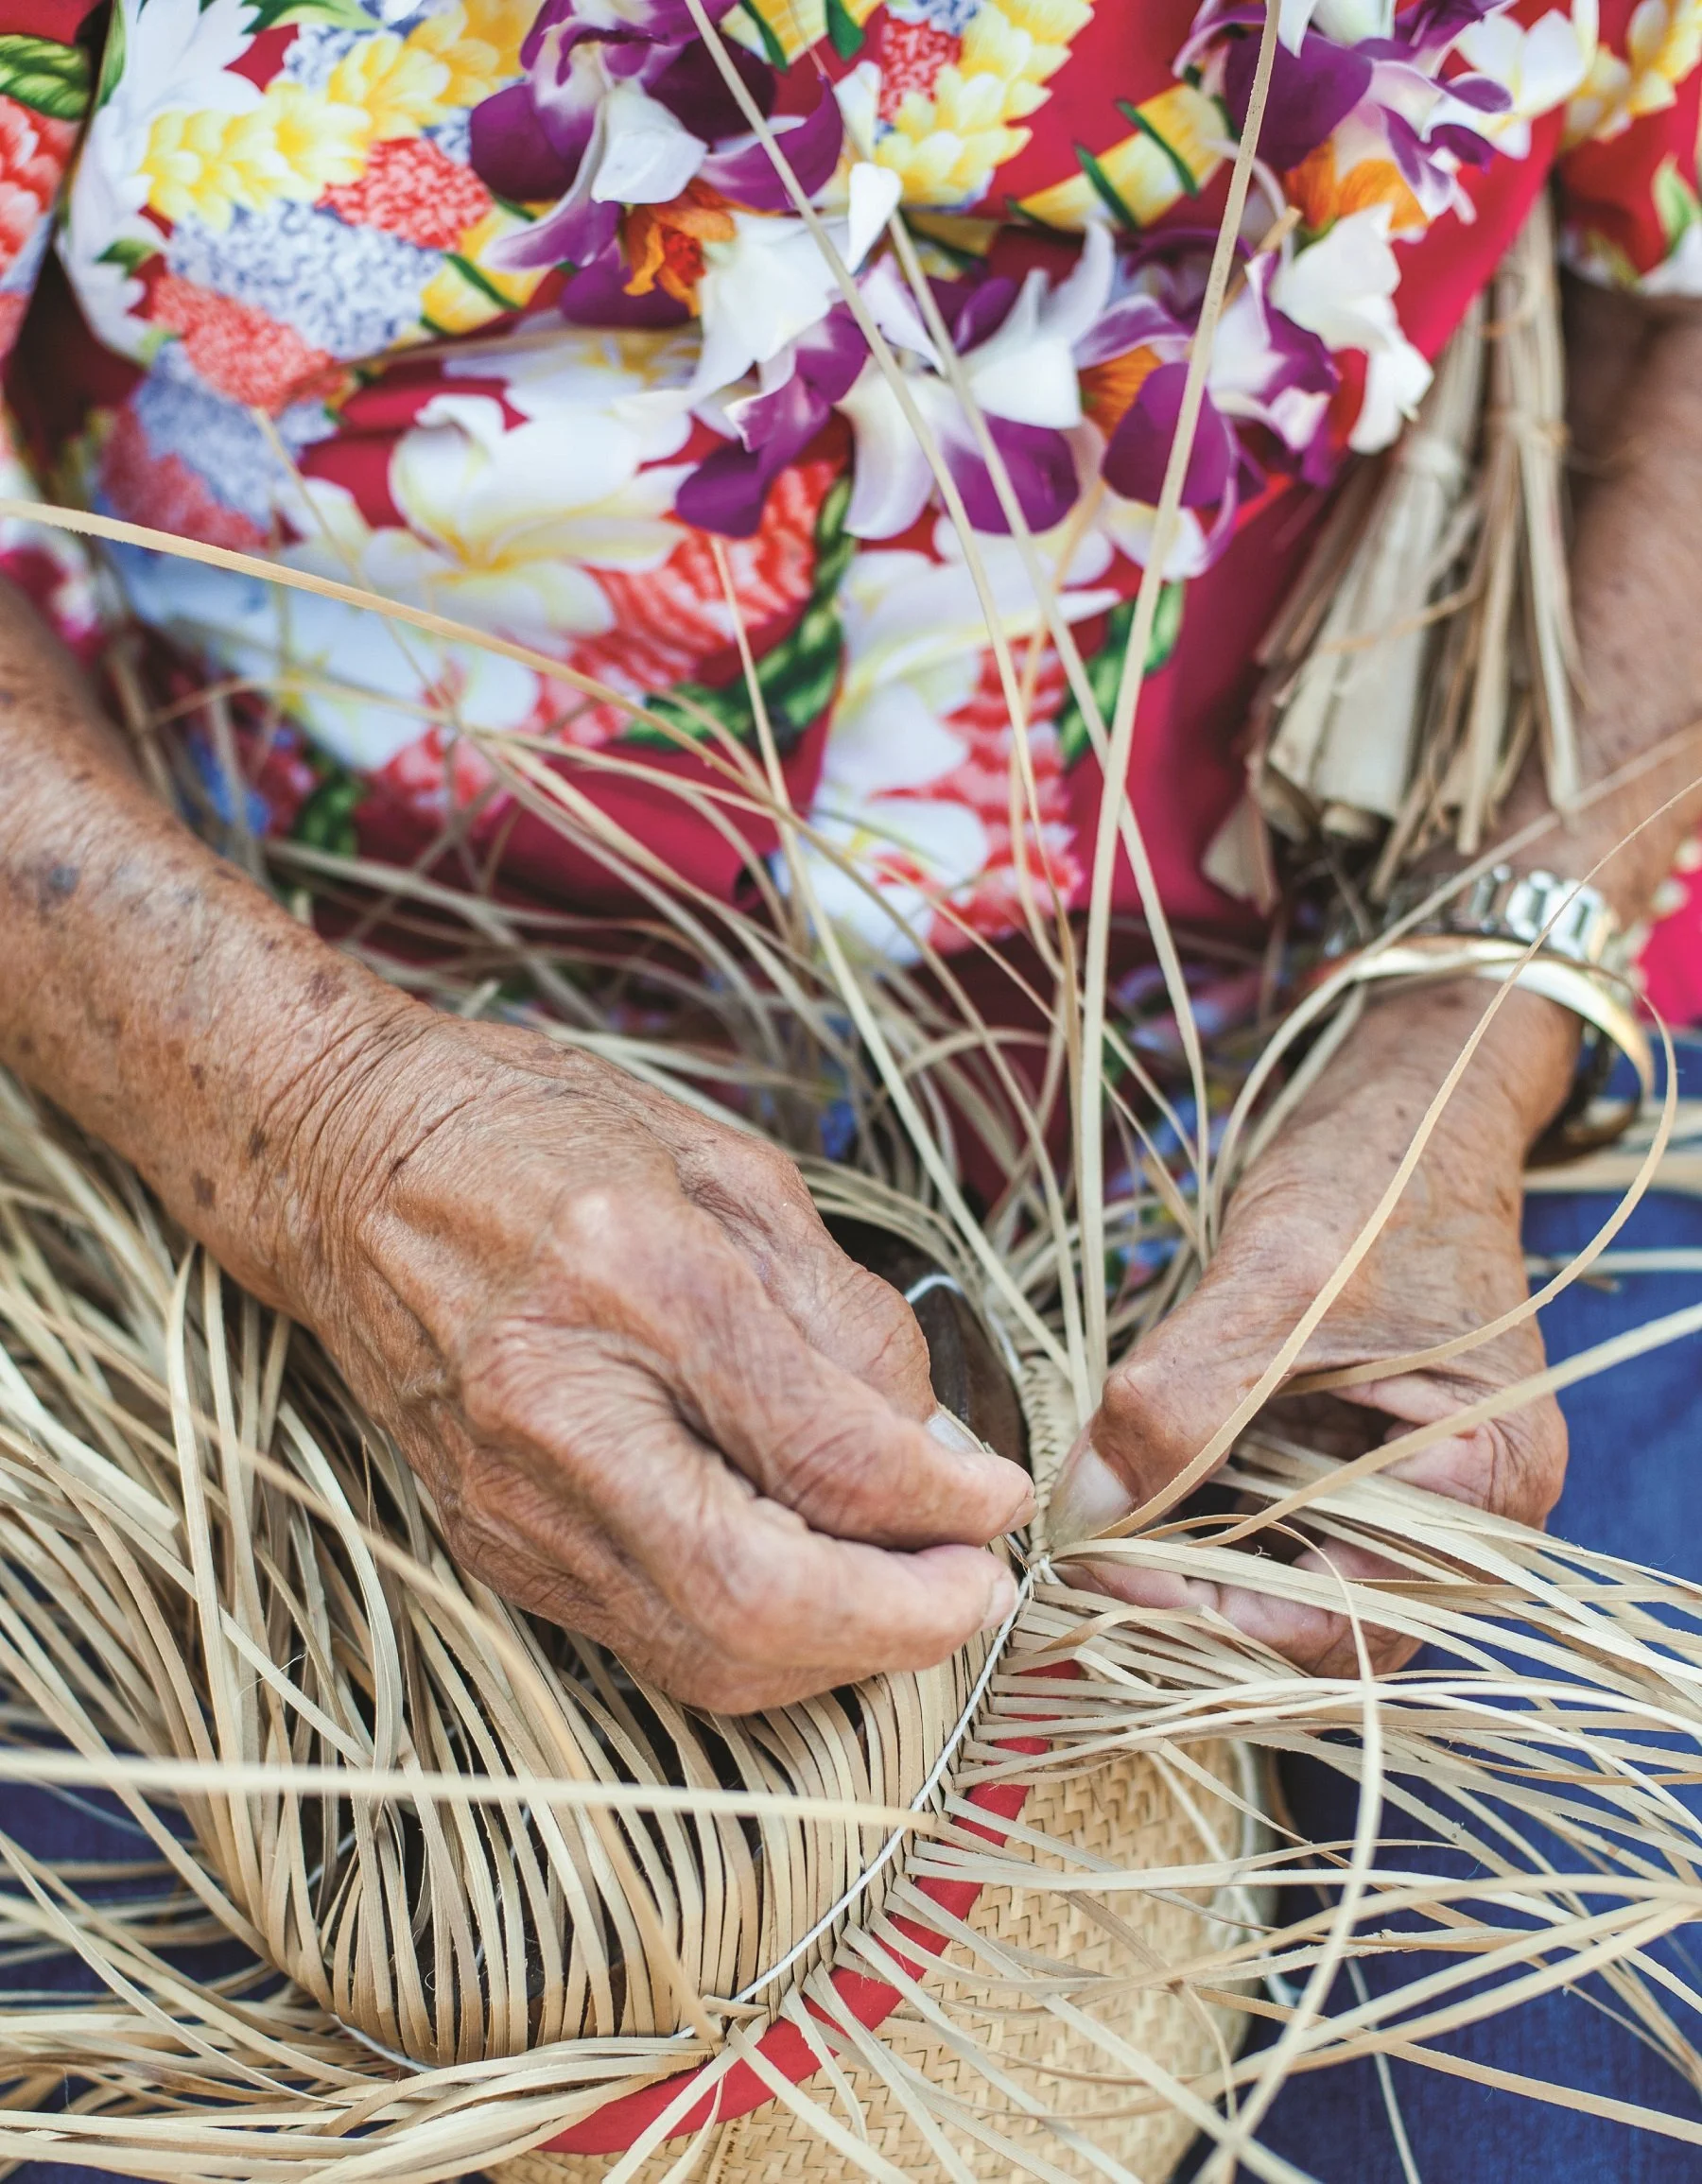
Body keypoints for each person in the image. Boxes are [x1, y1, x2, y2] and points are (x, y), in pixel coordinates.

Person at [0, 0, 1699, 1732]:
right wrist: (338, 1134)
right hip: (210, 1012)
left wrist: (1458, 1069)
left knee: (1617, 1944)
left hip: (1376, 1005)